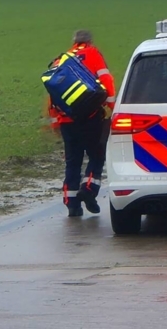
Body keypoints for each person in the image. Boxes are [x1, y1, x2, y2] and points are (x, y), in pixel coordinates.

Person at [47, 29, 116, 217]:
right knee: (96, 155)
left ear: (74, 41)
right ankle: (88, 189)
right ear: (90, 41)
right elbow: (106, 80)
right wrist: (113, 106)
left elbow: (53, 92)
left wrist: (55, 121)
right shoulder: (93, 54)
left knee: (73, 161)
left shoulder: (62, 59)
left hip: (67, 120)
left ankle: (72, 204)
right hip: (91, 116)